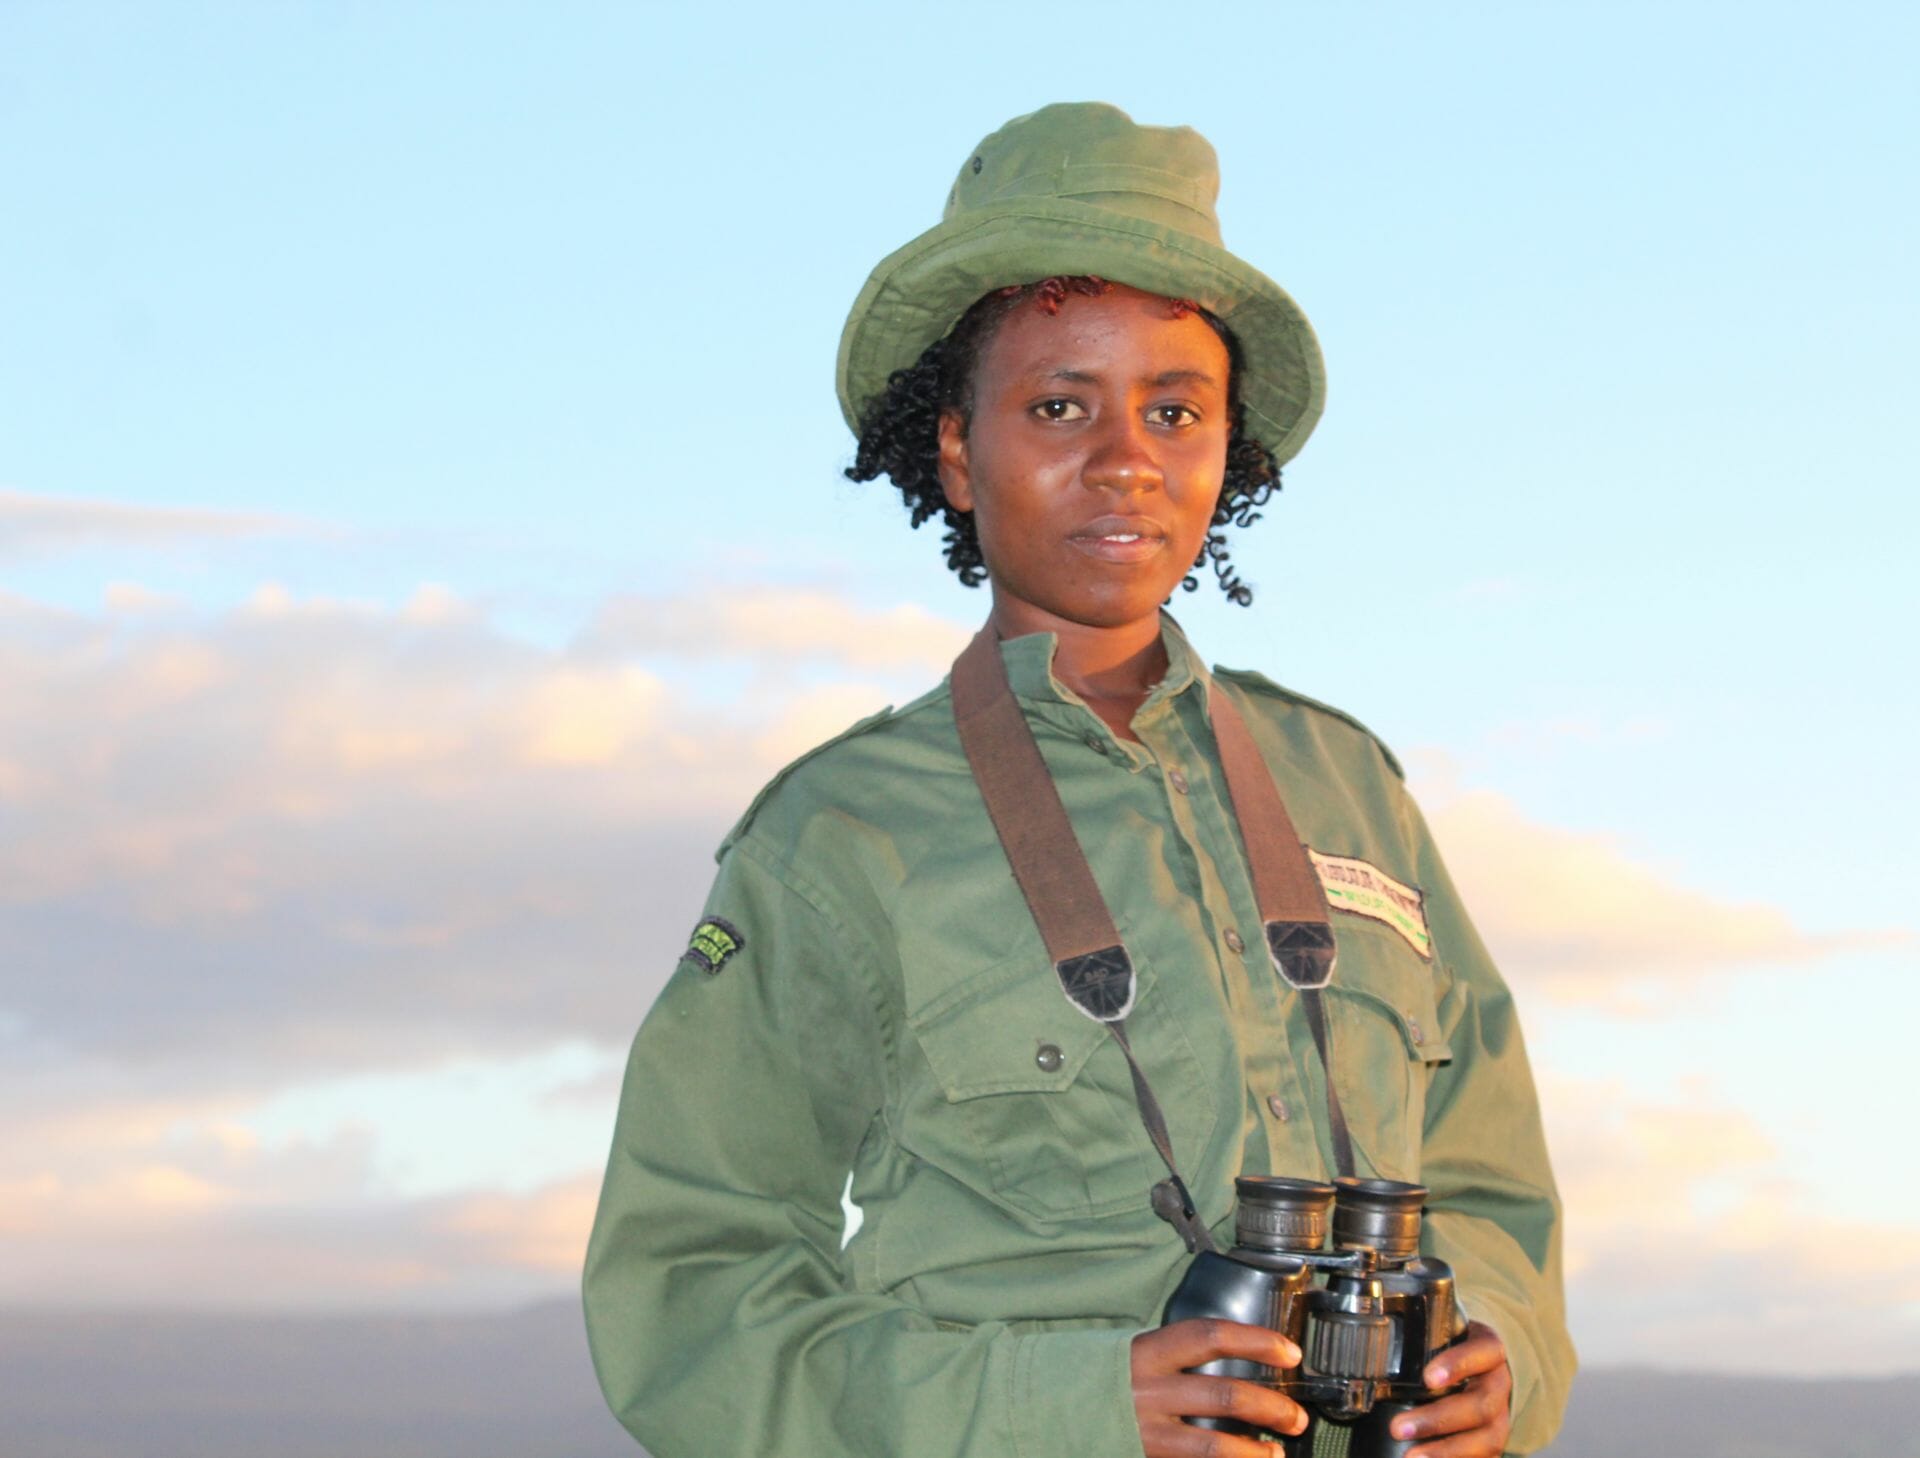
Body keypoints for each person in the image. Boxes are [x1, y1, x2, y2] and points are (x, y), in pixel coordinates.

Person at [584, 102, 1575, 1457]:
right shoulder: (841, 833)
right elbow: (687, 1287)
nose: (1125, 457)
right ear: (954, 447)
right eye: (1060, 405)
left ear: (1229, 450)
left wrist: (1499, 1354)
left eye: (1176, 408)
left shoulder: (1348, 786)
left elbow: (1488, 1177)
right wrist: (1064, 1409)